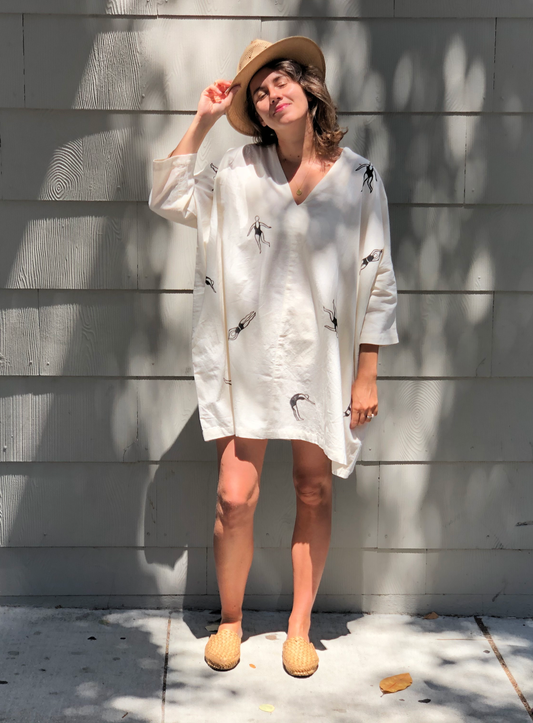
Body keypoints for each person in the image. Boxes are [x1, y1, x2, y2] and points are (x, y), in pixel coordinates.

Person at [148, 36, 399, 677]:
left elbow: (378, 276)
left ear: (308, 90)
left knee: (313, 488)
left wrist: (367, 372)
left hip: (322, 361)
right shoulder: (237, 172)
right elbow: (170, 197)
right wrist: (204, 121)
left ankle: (299, 628)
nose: (270, 95)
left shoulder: (360, 177)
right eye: (258, 92)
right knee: (235, 496)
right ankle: (231, 620)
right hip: (248, 359)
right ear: (255, 112)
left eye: (280, 81)